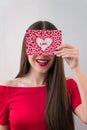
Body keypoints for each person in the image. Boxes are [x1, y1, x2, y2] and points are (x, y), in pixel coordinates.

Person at [0, 21, 87, 130]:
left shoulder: (68, 85)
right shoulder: (6, 89)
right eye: (37, 47)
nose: (42, 54)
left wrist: (76, 68)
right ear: (27, 49)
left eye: (48, 48)